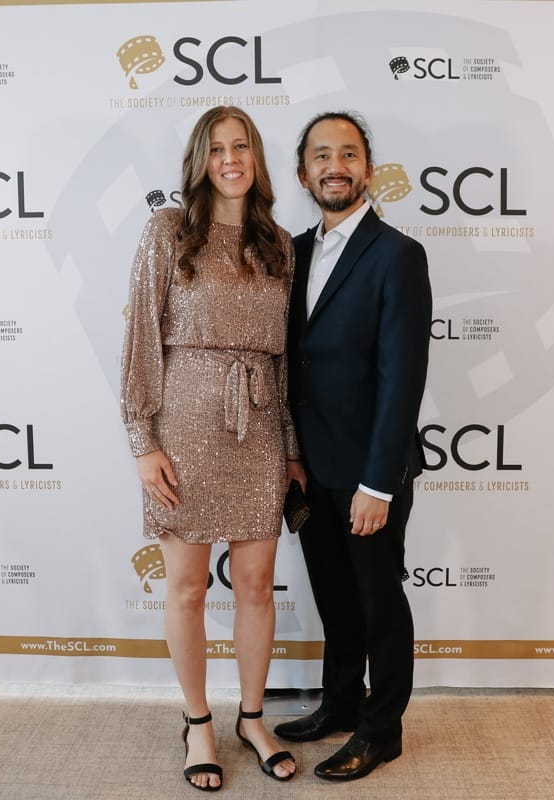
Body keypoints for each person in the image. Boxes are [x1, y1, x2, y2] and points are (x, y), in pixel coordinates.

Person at [120, 106, 298, 791]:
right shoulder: (168, 231)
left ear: (257, 157)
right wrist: (143, 440)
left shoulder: (279, 245)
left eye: (241, 146)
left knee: (255, 585)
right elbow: (141, 336)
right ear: (200, 161)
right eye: (217, 148)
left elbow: (285, 360)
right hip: (184, 429)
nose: (230, 159)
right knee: (189, 586)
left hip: (259, 429)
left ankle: (251, 718)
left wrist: (290, 448)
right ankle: (197, 722)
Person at [276, 111, 432, 781]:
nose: (334, 166)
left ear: (368, 169)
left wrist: (379, 483)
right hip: (311, 469)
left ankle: (381, 729)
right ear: (302, 173)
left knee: (378, 605)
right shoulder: (291, 253)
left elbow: (403, 378)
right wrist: (291, 457)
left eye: (347, 154)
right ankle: (340, 703)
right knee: (335, 600)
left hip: (370, 472)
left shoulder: (397, 255)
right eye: (321, 155)